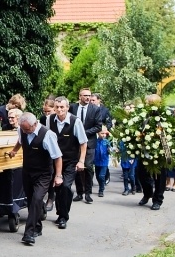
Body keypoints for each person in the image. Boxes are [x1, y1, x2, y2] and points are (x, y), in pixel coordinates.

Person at [7, 112, 63, 245]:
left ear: (35, 124)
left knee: (37, 199)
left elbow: (57, 157)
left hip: (43, 174)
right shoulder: (22, 130)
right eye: (23, 129)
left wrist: (58, 176)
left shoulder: (47, 135)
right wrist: (14, 151)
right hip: (27, 171)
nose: (25, 132)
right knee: (32, 200)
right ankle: (37, 227)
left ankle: (29, 233)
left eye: (27, 129)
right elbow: (20, 141)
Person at [45, 97, 86, 229]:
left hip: (70, 160)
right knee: (58, 187)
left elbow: (83, 143)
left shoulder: (75, 121)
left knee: (66, 187)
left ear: (67, 108)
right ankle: (60, 212)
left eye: (62, 107)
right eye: (57, 107)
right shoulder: (49, 119)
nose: (59, 110)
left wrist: (81, 161)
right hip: (54, 160)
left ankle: (63, 216)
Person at [70, 88, 103, 204]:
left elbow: (98, 126)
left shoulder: (95, 109)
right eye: (85, 95)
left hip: (89, 143)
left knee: (88, 167)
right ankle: (79, 192)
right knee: (77, 167)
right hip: (75, 143)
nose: (88, 98)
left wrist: (83, 133)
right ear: (80, 96)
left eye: (89, 95)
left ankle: (88, 193)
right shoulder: (72, 107)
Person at [136, 94, 168, 211]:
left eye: (151, 103)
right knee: (141, 173)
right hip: (145, 150)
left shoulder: (164, 116)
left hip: (160, 150)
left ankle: (157, 200)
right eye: (148, 103)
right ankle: (147, 193)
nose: (149, 105)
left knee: (160, 177)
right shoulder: (143, 115)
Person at [94, 125, 110, 197]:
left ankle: (101, 190)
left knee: (101, 176)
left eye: (105, 133)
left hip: (104, 161)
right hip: (97, 161)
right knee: (97, 176)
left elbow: (111, 149)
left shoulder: (107, 141)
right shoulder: (95, 141)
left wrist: (110, 150)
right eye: (102, 133)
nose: (103, 135)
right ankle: (101, 184)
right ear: (98, 133)